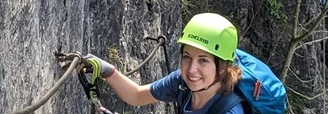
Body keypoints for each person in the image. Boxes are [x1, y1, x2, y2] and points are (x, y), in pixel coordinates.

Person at [82, 13, 245, 114]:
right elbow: (137, 95)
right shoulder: (182, 84)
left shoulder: (229, 111)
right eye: (187, 56)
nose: (191, 69)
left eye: (203, 60)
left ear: (223, 67)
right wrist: (106, 69)